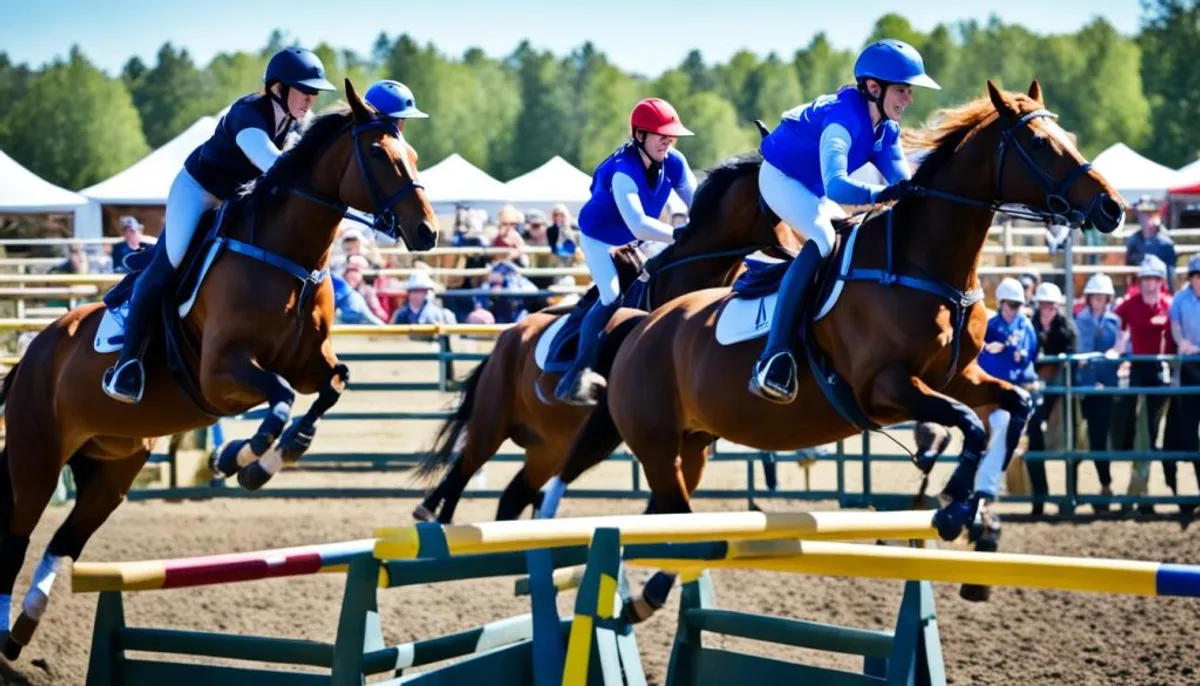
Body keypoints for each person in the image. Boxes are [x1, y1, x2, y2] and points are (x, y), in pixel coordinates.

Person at [101, 47, 337, 404]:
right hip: (199, 191)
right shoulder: (248, 114)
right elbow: (273, 165)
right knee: (171, 262)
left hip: (238, 198)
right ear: (277, 88)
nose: (311, 98)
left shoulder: (297, 119)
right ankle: (127, 363)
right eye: (304, 89)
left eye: (314, 91)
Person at [749, 39, 941, 403]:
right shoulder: (842, 120)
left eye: (909, 90)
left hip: (811, 187)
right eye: (903, 89)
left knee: (851, 238)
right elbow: (837, 186)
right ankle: (774, 354)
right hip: (781, 178)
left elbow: (903, 184)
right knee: (823, 239)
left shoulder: (887, 130)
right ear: (874, 87)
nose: (909, 98)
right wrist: (877, 196)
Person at [554, 97, 698, 404]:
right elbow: (639, 224)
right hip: (601, 240)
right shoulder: (622, 170)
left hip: (637, 241)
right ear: (640, 135)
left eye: (671, 135)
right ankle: (578, 372)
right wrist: (679, 234)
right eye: (662, 135)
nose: (668, 141)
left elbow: (696, 205)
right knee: (612, 294)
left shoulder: (674, 162)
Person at [1023, 282, 1077, 516]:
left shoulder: (1065, 328)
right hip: (1033, 389)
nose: (1048, 309)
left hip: (1060, 391)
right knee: (1034, 436)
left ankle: (1071, 495)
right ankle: (1039, 496)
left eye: (1052, 305)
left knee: (1073, 440)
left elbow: (1073, 355)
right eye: (1044, 304)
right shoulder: (1028, 326)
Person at [1073, 273, 1121, 511]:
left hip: (1106, 388)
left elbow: (1122, 349)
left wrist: (1116, 354)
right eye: (1096, 297)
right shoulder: (1080, 320)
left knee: (1100, 440)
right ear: (1090, 298)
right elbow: (1081, 354)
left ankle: (1105, 485)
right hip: (1084, 388)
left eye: (1103, 297)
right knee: (1079, 440)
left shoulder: (1115, 322)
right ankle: (1075, 490)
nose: (1099, 300)